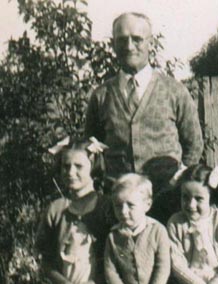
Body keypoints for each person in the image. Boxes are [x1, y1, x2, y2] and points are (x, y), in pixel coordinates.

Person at [85, 12, 203, 182]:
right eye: (122, 40)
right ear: (113, 44)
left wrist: (178, 183)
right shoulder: (101, 96)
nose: (129, 46)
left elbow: (194, 144)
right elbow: (90, 146)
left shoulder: (175, 91)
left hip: (166, 200)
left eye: (137, 39)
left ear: (151, 43)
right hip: (120, 202)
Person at [35, 137, 113, 284]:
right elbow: (45, 257)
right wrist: (59, 281)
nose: (70, 172)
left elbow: (114, 258)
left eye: (78, 166)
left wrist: (94, 283)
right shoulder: (56, 208)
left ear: (93, 167)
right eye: (65, 166)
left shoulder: (105, 207)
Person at [104, 173, 171, 284]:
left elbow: (163, 267)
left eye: (130, 205)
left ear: (147, 205)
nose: (123, 211)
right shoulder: (113, 236)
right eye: (118, 206)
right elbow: (110, 271)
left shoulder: (157, 231)